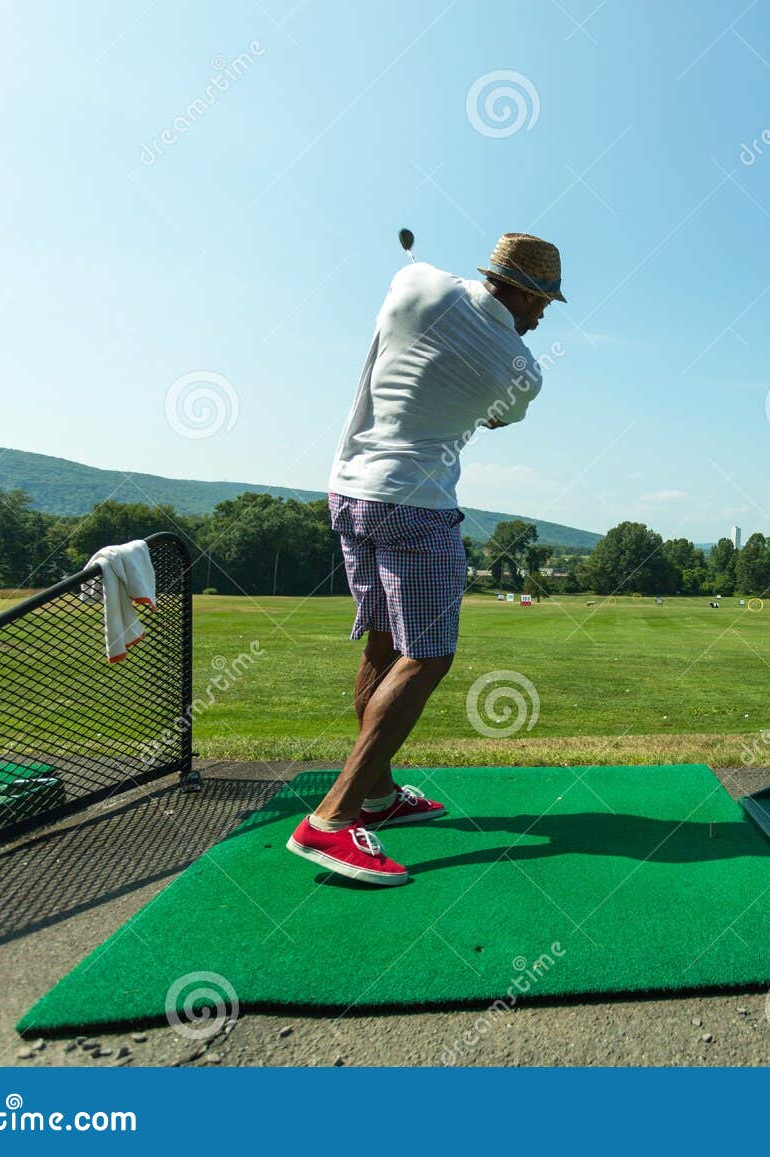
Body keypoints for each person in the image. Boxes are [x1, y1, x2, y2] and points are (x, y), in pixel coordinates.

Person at [286, 232, 566, 884]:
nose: (542, 315)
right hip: (416, 506)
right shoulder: (523, 369)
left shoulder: (413, 283)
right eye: (543, 300)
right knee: (428, 655)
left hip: (349, 493)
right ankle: (331, 820)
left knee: (384, 645)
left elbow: (408, 308)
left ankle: (379, 795)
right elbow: (497, 418)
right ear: (520, 289)